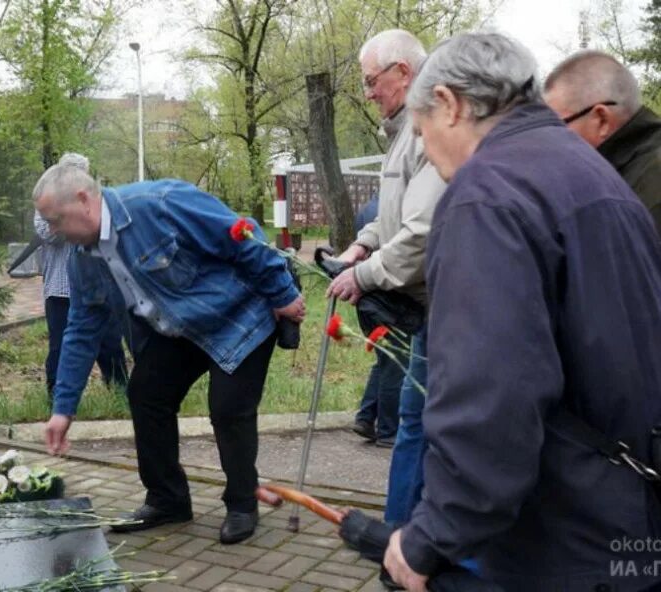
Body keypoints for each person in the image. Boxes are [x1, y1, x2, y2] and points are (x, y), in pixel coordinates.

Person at [368, 32, 661, 591]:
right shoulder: (593, 169)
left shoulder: (487, 194)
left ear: (450, 104)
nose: (430, 156)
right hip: (629, 508)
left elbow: (490, 393)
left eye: (423, 134)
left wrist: (432, 536)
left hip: (564, 532)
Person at [33, 165, 304, 545]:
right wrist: (63, 409)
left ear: (83, 200)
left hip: (239, 316)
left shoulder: (159, 203)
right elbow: (81, 328)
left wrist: (283, 293)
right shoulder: (82, 256)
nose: (53, 231)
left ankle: (242, 504)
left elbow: (243, 234)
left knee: (228, 409)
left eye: (55, 220)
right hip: (180, 328)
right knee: (146, 394)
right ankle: (167, 500)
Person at [326, 29, 445, 527]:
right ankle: (401, 532)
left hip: (442, 307)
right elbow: (393, 217)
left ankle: (406, 538)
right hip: (422, 311)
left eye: (373, 80)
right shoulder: (401, 136)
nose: (369, 91)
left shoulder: (431, 134)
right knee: (416, 423)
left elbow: (421, 234)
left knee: (424, 425)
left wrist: (365, 276)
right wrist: (362, 244)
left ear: (404, 73)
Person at [32, 153, 127, 403]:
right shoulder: (47, 206)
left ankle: (120, 392)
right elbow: (47, 233)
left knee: (110, 344)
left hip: (97, 287)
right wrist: (70, 219)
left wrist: (86, 219)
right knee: (61, 346)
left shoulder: (92, 205)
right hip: (60, 290)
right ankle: (56, 398)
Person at [544, 50, 661, 233]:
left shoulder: (648, 184)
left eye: (558, 126)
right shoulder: (625, 170)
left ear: (601, 120)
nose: (552, 142)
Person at [351, 195, 405, 447]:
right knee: (396, 363)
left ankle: (366, 416)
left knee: (386, 360)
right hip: (388, 297)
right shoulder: (396, 207)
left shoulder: (370, 207)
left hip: (367, 296)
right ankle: (388, 431)